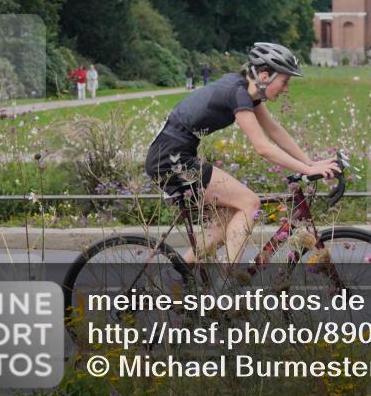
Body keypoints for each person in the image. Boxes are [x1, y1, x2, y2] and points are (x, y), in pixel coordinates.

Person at [145, 43, 340, 267]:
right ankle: (228, 287)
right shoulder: (237, 93)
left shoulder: (247, 91)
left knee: (225, 221)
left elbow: (274, 130)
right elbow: (263, 147)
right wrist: (307, 170)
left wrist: (310, 162)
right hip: (169, 159)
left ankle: (179, 277)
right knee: (249, 202)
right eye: (285, 81)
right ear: (265, 75)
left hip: (174, 155)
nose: (286, 88)